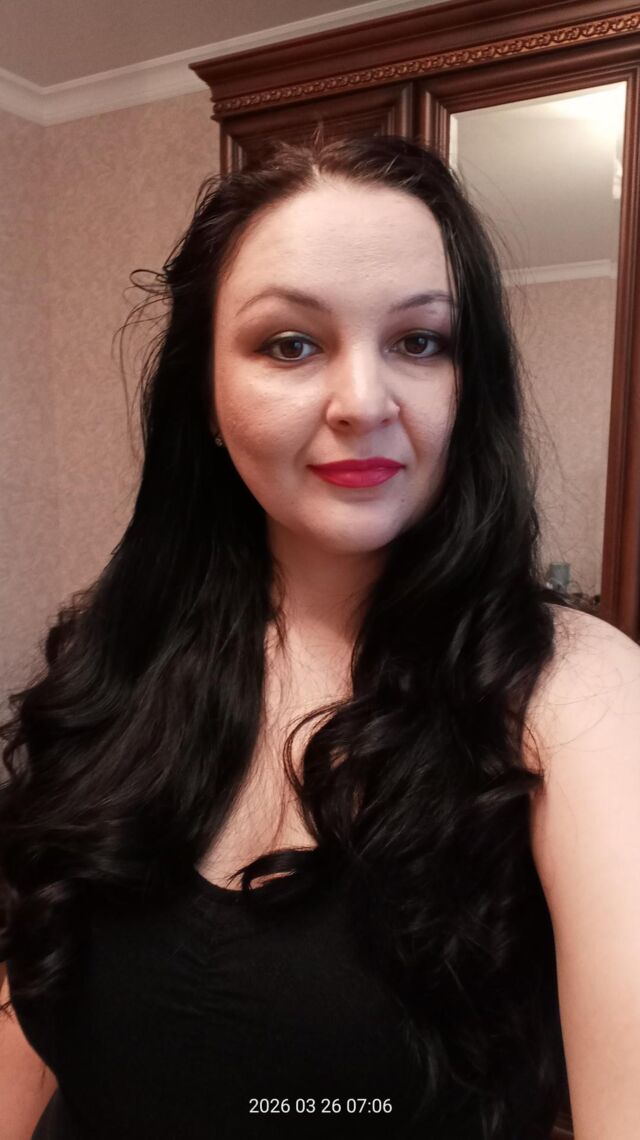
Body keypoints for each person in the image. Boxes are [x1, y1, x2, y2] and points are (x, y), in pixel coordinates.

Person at [1, 131, 639, 1140]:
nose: (364, 403)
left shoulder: (577, 697)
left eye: (420, 342)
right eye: (290, 345)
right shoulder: (109, 656)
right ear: (206, 397)